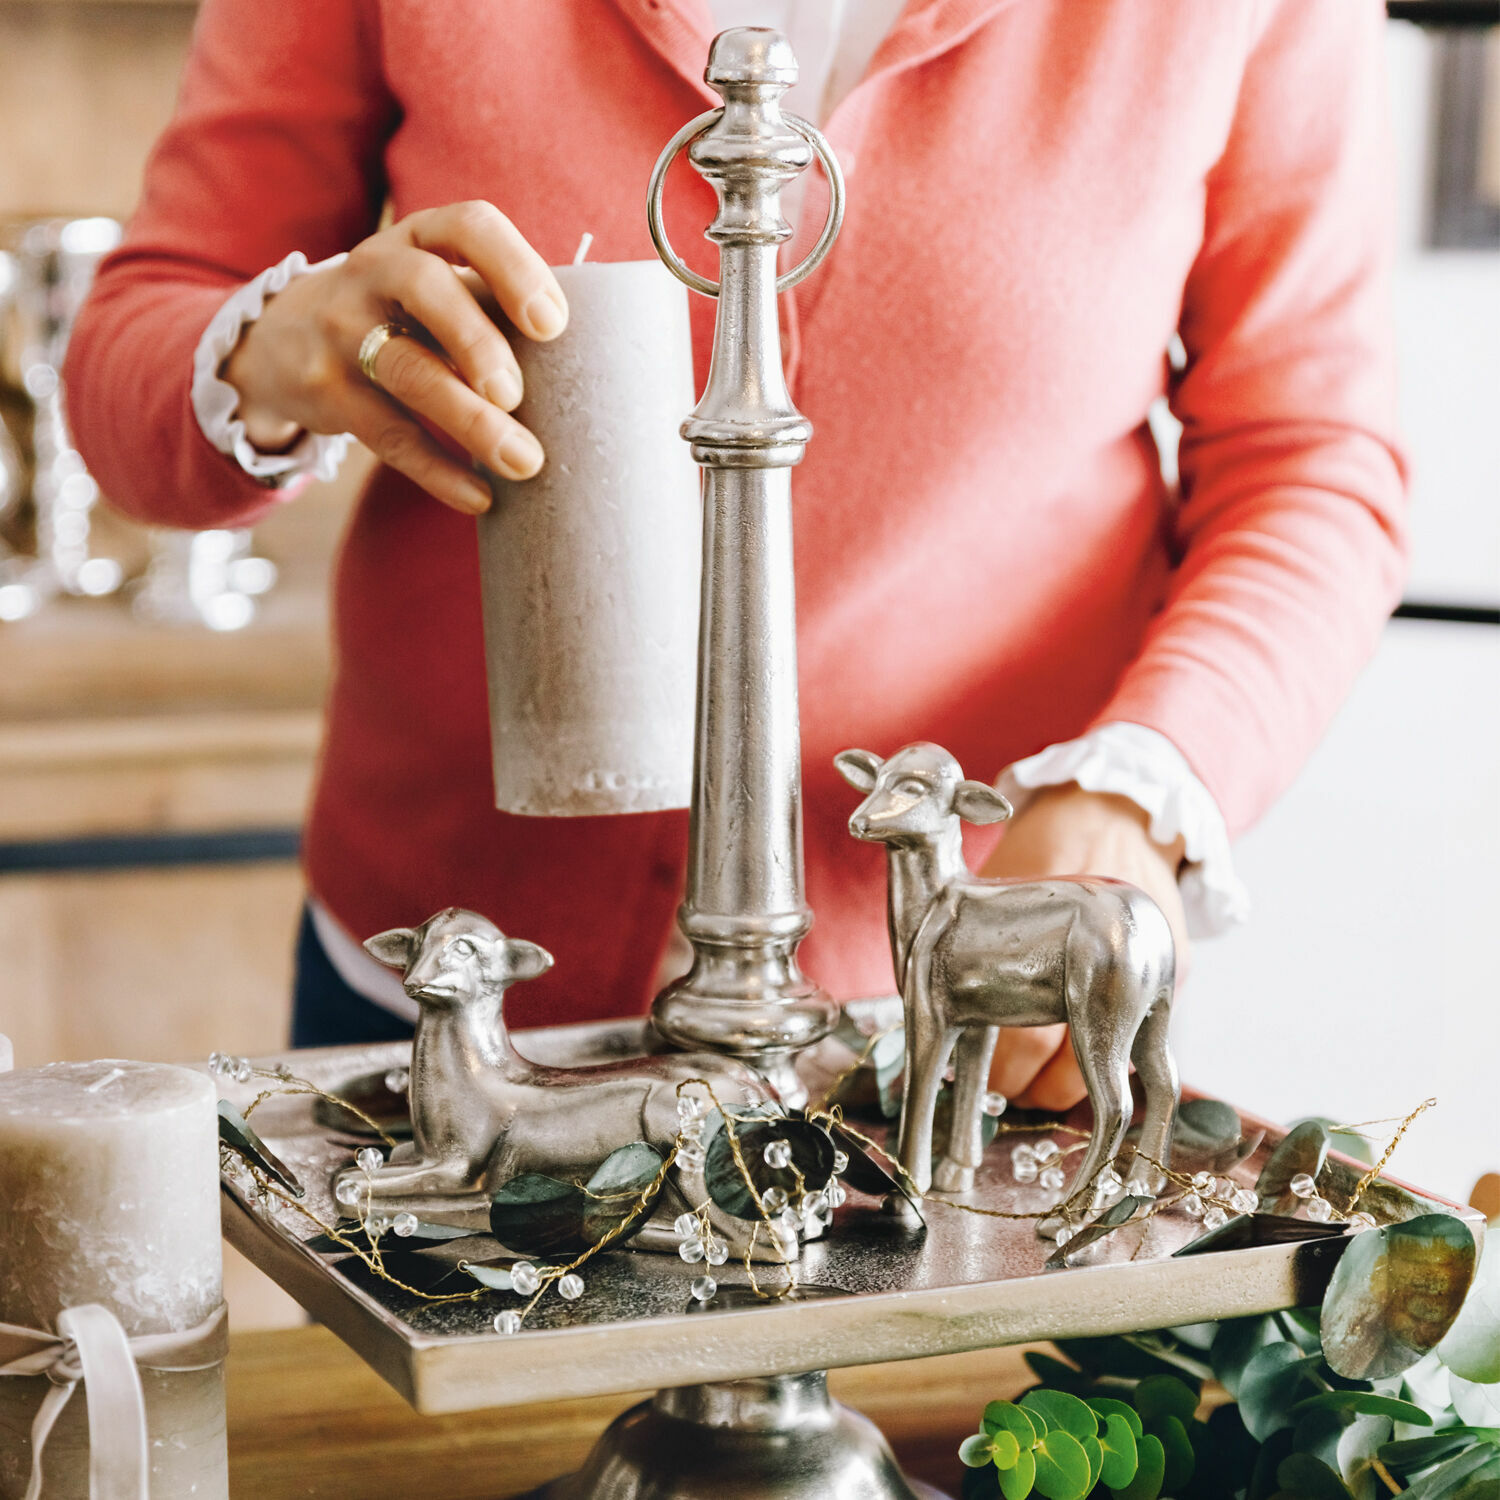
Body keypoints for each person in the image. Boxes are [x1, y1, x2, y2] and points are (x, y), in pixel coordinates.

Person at [65, 0, 1406, 1111]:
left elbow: (1314, 459)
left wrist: (1140, 793)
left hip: (944, 1038)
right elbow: (132, 366)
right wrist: (277, 346)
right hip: (450, 1012)